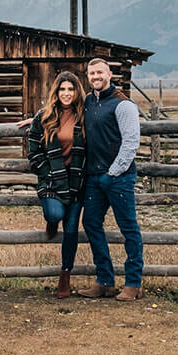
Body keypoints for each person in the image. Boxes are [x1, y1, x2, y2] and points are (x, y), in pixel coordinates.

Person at [74, 57, 144, 301]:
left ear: (110, 74)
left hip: (119, 177)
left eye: (100, 72)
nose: (96, 77)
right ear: (88, 77)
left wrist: (112, 173)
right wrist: (37, 120)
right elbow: (62, 112)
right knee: (91, 223)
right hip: (94, 176)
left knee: (128, 228)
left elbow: (131, 143)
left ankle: (134, 283)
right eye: (92, 73)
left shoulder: (122, 105)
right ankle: (105, 281)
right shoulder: (89, 102)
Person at [26, 70, 87, 297]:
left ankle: (65, 274)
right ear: (56, 91)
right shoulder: (44, 117)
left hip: (76, 182)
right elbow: (33, 151)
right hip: (52, 179)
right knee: (54, 214)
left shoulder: (84, 116)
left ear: (76, 91)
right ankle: (52, 220)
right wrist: (46, 172)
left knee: (71, 230)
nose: (66, 93)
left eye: (70, 89)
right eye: (62, 89)